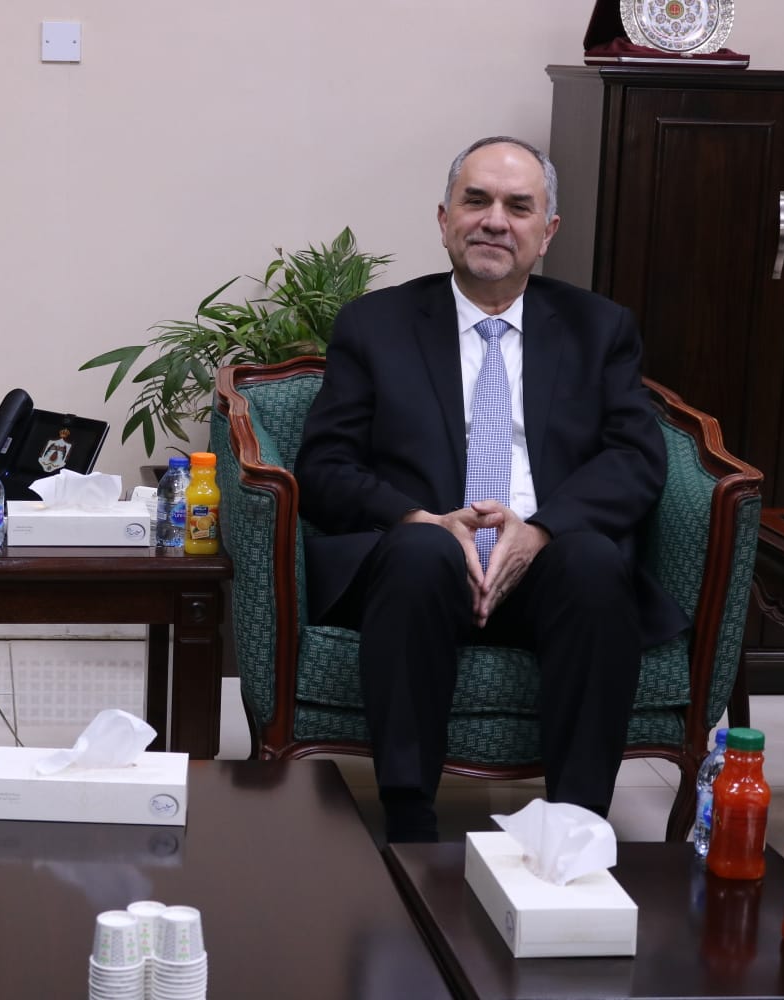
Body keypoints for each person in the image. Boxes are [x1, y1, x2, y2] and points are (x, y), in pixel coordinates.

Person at [294, 136, 688, 843]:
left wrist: (541, 529)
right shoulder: (375, 326)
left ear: (548, 230)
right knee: (420, 553)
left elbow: (635, 458)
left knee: (593, 561)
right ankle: (409, 820)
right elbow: (324, 464)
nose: (494, 221)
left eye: (518, 206)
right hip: (419, 569)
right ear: (444, 218)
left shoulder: (600, 328)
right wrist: (420, 519)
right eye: (476, 201)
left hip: (547, 562)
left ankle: (575, 828)